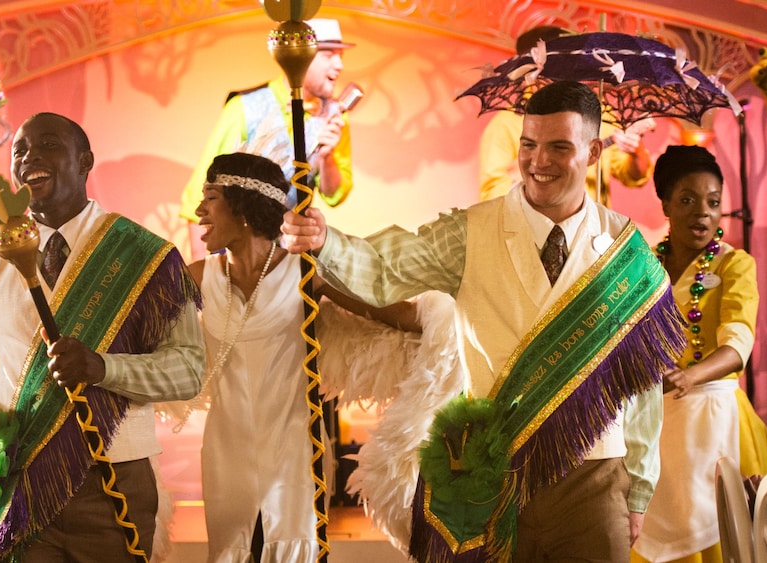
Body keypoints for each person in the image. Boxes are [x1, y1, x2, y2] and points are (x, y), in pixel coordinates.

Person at [281, 81, 686, 561]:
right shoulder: (470, 230)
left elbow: (639, 382)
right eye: (529, 145)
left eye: (559, 147)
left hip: (594, 479)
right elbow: (385, 268)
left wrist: (638, 489)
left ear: (594, 152)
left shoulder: (626, 248)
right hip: (490, 475)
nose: (538, 161)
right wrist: (325, 241)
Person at [0, 112, 204, 562]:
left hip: (113, 482)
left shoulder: (146, 255)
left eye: (48, 145)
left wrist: (103, 368)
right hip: (22, 478)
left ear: (85, 162)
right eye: (20, 151)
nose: (30, 158)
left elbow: (189, 371)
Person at [188, 152, 417, 562]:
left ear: (242, 206)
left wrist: (447, 321)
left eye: (211, 197)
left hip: (293, 452)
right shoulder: (196, 277)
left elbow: (390, 313)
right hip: (226, 455)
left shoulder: (305, 271)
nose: (198, 210)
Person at [632, 145, 767, 563]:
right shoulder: (643, 266)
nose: (703, 213)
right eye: (687, 200)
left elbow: (738, 342)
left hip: (715, 417)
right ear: (665, 205)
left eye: (713, 202)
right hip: (659, 421)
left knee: (718, 535)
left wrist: (690, 376)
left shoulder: (734, 264)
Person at [180, 18, 355, 260]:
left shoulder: (334, 117)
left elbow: (334, 195)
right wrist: (203, 269)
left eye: (340, 56)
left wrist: (327, 159)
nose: (339, 65)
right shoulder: (245, 106)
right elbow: (201, 193)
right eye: (328, 55)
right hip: (237, 251)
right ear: (300, 56)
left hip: (288, 254)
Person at [478, 25, 653, 206]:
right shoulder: (506, 123)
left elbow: (632, 176)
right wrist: (532, 178)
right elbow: (491, 195)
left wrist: (636, 153)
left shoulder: (596, 113)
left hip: (590, 222)